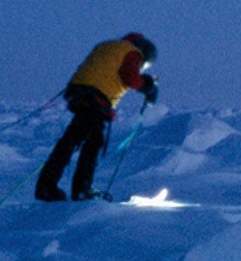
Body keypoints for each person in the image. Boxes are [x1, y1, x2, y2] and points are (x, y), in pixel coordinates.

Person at [35, 32, 158, 201]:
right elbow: (130, 77)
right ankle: (80, 189)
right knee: (93, 143)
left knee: (71, 140)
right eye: (143, 65)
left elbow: (100, 71)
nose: (141, 66)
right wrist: (147, 86)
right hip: (96, 99)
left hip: (78, 92)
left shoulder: (108, 46)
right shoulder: (132, 52)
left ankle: (47, 185)